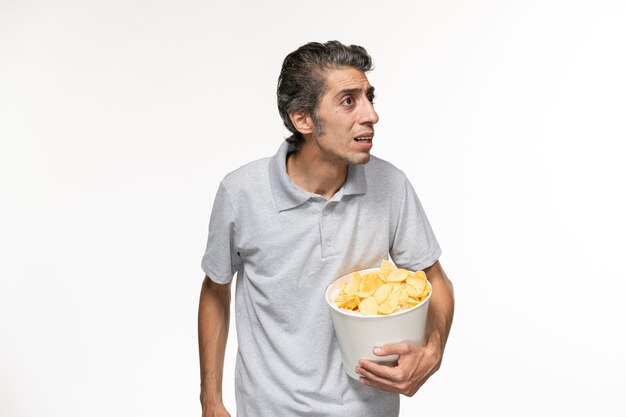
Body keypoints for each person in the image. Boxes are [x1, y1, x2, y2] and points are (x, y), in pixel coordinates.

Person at [198, 40, 454, 417]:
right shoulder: (241, 193)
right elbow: (215, 290)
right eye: (348, 101)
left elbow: (434, 278)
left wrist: (432, 351)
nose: (371, 115)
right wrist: (211, 401)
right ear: (303, 119)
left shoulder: (390, 185)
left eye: (369, 97)